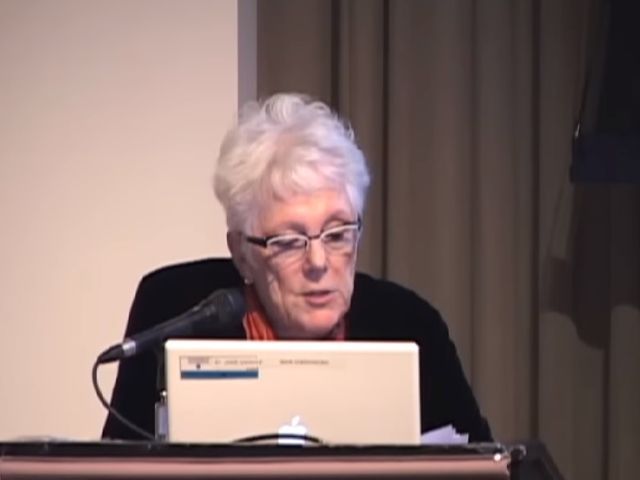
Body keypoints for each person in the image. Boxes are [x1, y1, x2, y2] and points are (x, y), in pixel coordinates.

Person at [102, 93, 492, 442]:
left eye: (337, 234)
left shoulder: (409, 325)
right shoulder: (174, 310)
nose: (318, 262)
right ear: (242, 253)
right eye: (289, 241)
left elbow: (486, 465)